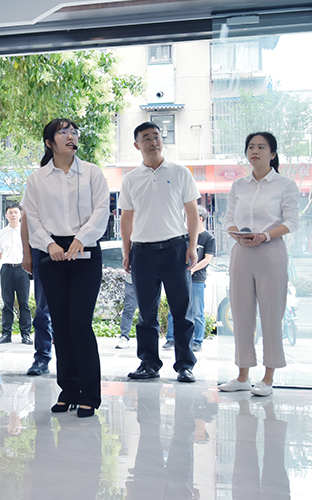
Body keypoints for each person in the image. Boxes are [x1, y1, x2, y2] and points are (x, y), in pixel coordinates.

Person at [22, 118, 109, 418]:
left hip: (85, 250)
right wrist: (49, 245)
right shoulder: (37, 178)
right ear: (49, 143)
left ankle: (90, 394)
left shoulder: (92, 172)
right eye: (63, 132)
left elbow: (102, 210)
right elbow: (32, 216)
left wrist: (81, 239)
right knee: (59, 325)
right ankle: (68, 390)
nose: (71, 136)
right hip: (53, 254)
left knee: (80, 324)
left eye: (74, 132)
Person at [219, 132, 299, 397]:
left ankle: (268, 378)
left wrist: (264, 236)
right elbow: (228, 218)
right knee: (241, 314)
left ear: (272, 154)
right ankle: (242, 376)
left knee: (271, 315)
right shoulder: (238, 186)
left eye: (261, 147)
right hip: (241, 252)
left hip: (271, 252)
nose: (255, 151)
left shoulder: (285, 185)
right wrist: (236, 234)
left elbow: (292, 221)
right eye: (251, 147)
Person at [120, 121, 201, 384]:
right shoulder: (130, 179)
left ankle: (185, 365)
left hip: (175, 249)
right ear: (137, 145)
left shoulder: (180, 172)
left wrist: (192, 246)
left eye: (156, 136)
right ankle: (148, 363)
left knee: (182, 312)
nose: (153, 142)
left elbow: (192, 212)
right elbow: (126, 218)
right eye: (146, 138)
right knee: (146, 314)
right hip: (142, 252)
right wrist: (126, 251)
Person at [163, 204, 215, 352]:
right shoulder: (184, 235)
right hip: (180, 278)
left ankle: (198, 340)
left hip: (197, 279)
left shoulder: (208, 238)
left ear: (200, 218)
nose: (187, 219)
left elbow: (207, 259)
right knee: (174, 309)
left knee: (198, 311)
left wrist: (192, 269)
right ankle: (171, 338)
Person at [21, 215, 54, 376]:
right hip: (40, 248)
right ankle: (42, 357)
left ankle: (71, 359)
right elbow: (26, 219)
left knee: (71, 310)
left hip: (71, 245)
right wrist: (26, 253)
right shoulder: (34, 194)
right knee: (43, 309)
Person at [0, 203, 32, 345]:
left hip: (22, 269)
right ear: (6, 215)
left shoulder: (26, 232)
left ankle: (26, 334)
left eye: (16, 212)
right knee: (7, 303)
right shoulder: (1, 233)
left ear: (20, 214)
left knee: (24, 303)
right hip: (7, 269)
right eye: (10, 212)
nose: (13, 215)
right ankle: (6, 334)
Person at [115, 273, 137, 349]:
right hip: (131, 278)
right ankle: (124, 336)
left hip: (150, 278)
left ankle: (150, 340)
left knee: (149, 310)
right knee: (128, 308)